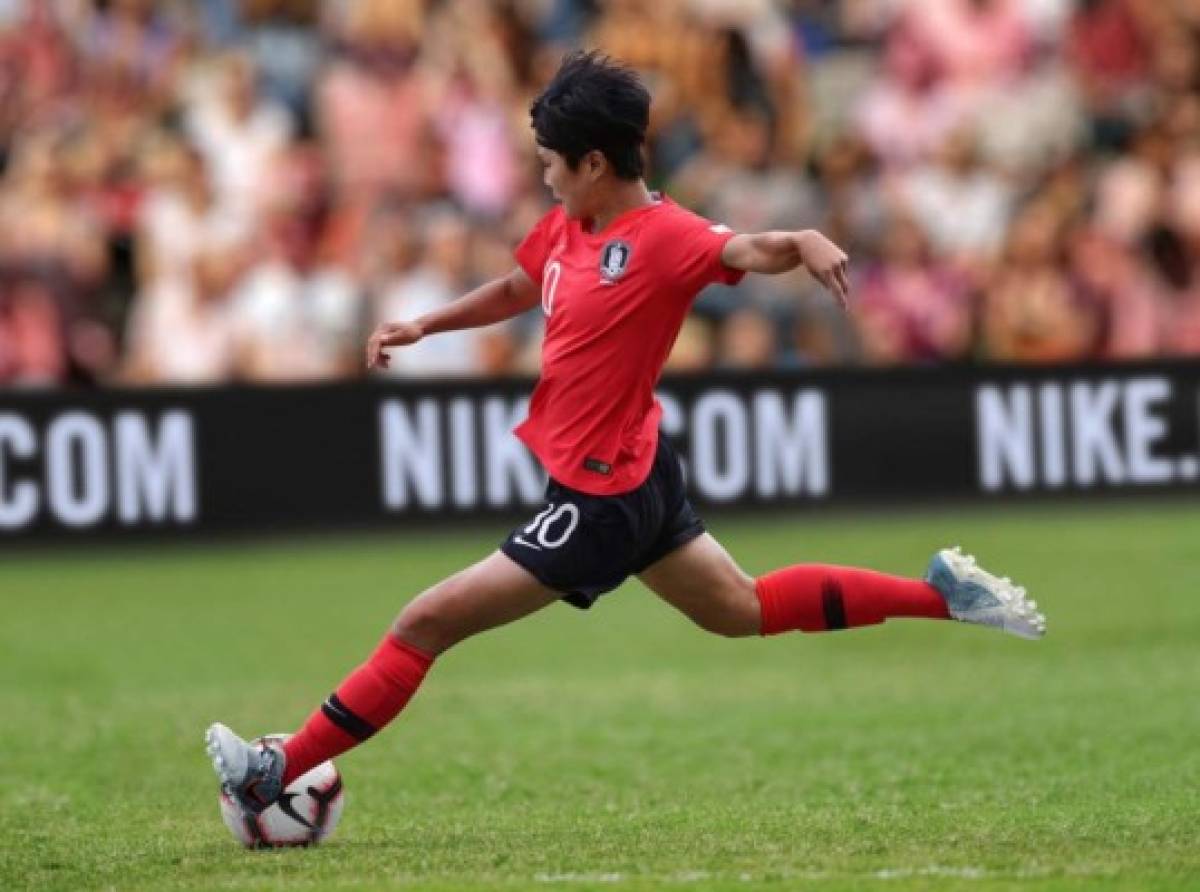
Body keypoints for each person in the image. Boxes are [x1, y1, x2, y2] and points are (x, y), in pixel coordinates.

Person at [206, 52, 1046, 816]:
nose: (543, 179)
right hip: (643, 472)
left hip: (603, 497)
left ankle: (274, 774)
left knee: (423, 624)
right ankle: (945, 596)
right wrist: (426, 326)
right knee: (740, 609)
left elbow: (747, 248)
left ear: (595, 164)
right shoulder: (572, 225)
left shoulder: (667, 237)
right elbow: (516, 284)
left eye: (550, 165)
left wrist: (803, 237)